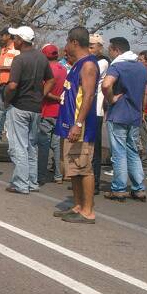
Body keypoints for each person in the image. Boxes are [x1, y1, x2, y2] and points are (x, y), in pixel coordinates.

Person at [54, 27, 100, 223]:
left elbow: (88, 95)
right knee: (73, 169)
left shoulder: (88, 65)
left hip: (80, 129)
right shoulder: (76, 64)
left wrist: (78, 123)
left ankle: (88, 211)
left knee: (83, 168)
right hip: (68, 126)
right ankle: (78, 205)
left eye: (67, 41)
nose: (65, 46)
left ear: (74, 42)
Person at [3, 26, 53, 194]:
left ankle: (21, 184)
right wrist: (41, 95)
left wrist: (6, 99)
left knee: (19, 147)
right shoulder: (42, 57)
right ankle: (32, 182)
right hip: (36, 108)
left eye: (15, 37)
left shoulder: (20, 59)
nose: (13, 40)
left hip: (20, 106)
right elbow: (50, 80)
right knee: (31, 146)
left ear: (21, 40)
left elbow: (12, 85)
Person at [101, 37, 147, 202]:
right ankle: (138, 188)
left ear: (116, 50)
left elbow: (106, 85)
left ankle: (119, 188)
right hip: (135, 114)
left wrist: (111, 98)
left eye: (110, 49)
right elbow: (144, 92)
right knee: (133, 151)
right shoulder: (141, 67)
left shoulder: (117, 66)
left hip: (119, 113)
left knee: (119, 152)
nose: (109, 52)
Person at [38, 43, 67, 185]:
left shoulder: (47, 70)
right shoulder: (64, 69)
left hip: (47, 110)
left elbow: (44, 92)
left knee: (43, 144)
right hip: (59, 111)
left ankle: (40, 175)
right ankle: (58, 175)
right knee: (56, 144)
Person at [0, 29, 19, 139]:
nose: (1, 37)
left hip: (8, 83)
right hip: (0, 83)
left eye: (3, 35)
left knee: (7, 108)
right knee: (1, 110)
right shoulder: (3, 50)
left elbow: (17, 67)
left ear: (8, 36)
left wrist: (0, 67)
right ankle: (1, 130)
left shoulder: (16, 50)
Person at [89, 33, 109, 191]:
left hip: (96, 108)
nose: (89, 49)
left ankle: (94, 182)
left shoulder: (102, 62)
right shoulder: (92, 61)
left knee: (95, 148)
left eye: (92, 47)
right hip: (88, 107)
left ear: (100, 47)